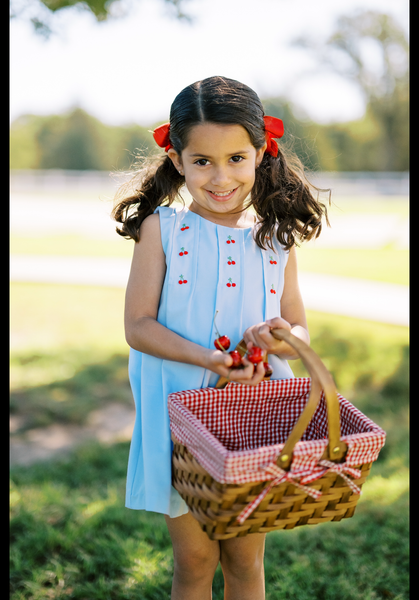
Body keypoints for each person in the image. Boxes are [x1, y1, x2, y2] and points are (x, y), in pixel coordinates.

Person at [112, 75, 329, 600]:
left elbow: (296, 322)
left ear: (261, 152)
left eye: (236, 158)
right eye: (202, 161)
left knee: (245, 557)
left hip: (249, 419)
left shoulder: (276, 237)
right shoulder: (161, 229)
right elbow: (137, 326)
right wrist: (208, 359)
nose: (220, 176)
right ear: (178, 160)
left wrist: (280, 335)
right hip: (180, 416)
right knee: (194, 558)